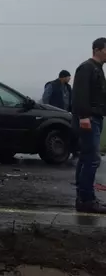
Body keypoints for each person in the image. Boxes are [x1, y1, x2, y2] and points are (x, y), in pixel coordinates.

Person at [72, 37, 106, 213]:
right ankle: (86, 199)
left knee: (86, 158)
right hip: (89, 119)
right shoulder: (87, 67)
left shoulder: (98, 69)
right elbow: (80, 93)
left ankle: (84, 198)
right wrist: (84, 117)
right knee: (92, 159)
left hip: (95, 118)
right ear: (98, 49)